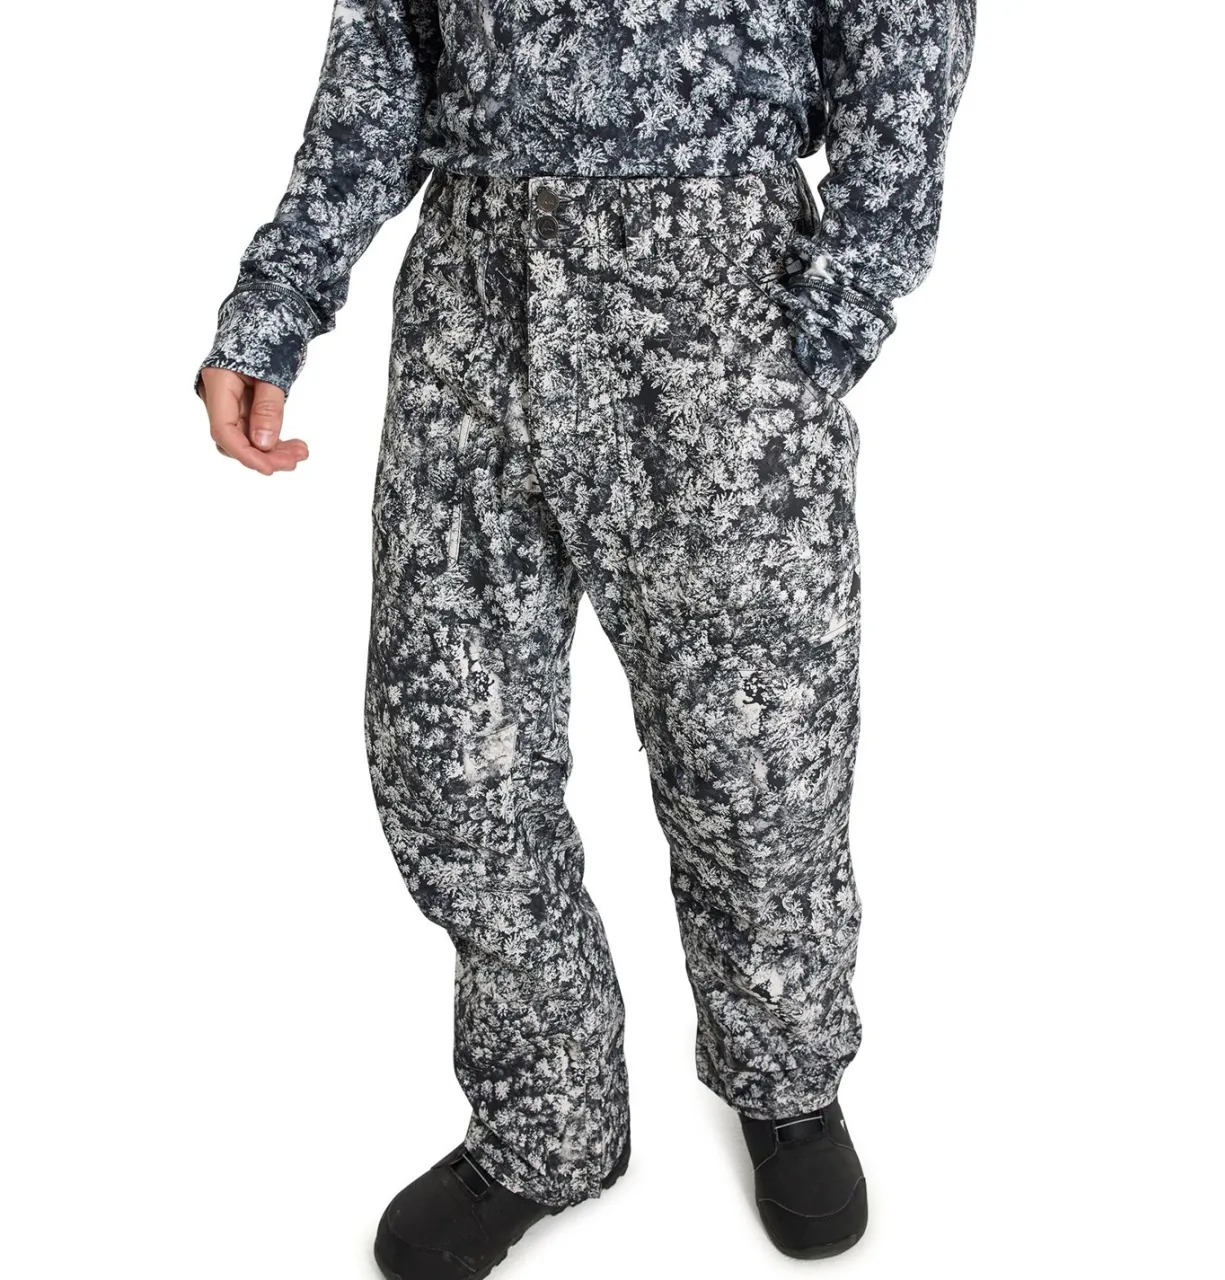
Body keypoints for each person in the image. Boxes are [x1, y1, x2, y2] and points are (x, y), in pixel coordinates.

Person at [194, 0, 975, 1273]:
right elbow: (389, 45)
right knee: (450, 764)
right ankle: (547, 1118)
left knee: (756, 764)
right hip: (472, 299)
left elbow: (903, 46)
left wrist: (821, 326)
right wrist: (278, 297)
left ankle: (783, 1076)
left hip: (714, 307)